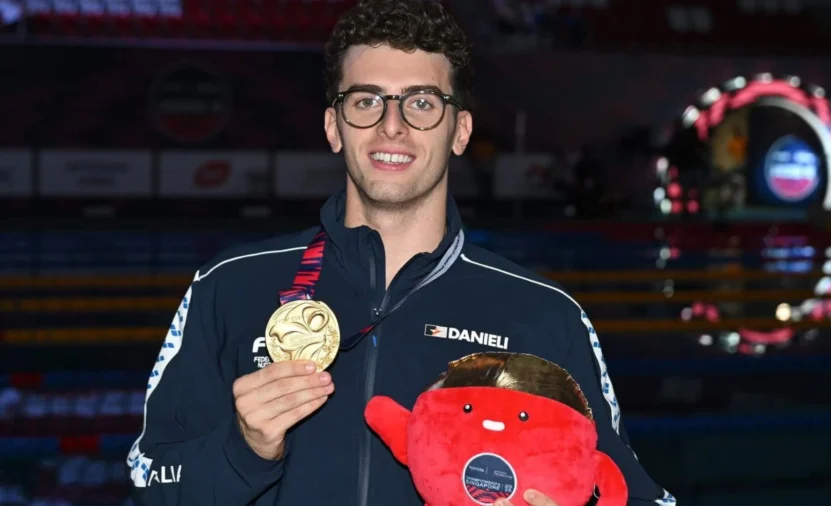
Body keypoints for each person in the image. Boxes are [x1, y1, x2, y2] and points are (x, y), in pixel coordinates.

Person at [125, 1, 675, 505]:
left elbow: (635, 492)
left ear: (459, 131)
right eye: (366, 101)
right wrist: (242, 451)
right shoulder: (229, 286)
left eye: (421, 103)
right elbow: (149, 480)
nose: (393, 125)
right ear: (333, 126)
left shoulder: (545, 314)